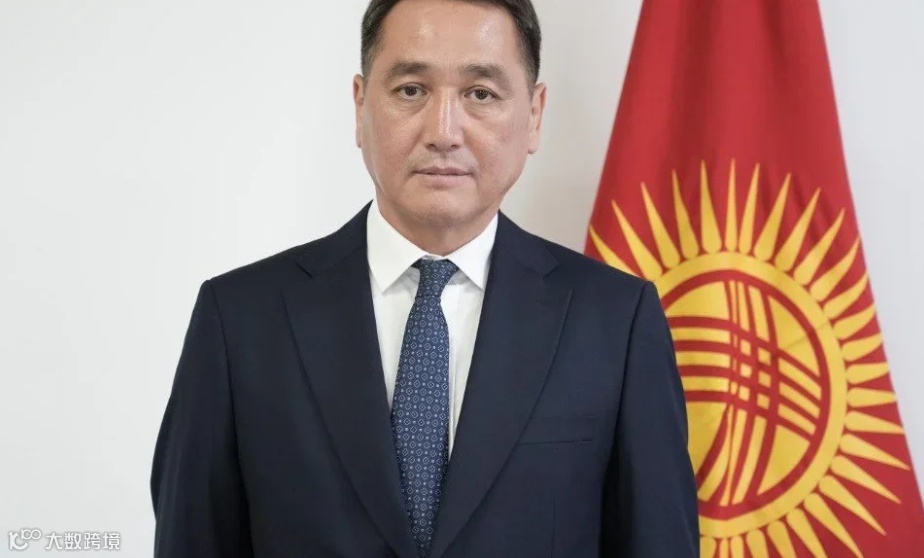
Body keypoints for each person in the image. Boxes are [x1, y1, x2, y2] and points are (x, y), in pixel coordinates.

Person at [149, 0, 699, 556]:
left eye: (480, 94)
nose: (444, 132)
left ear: (533, 115)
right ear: (360, 105)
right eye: (411, 90)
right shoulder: (240, 320)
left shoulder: (615, 322)